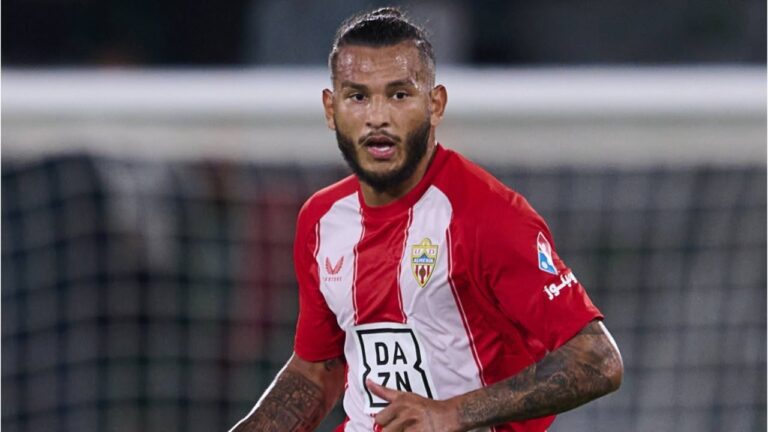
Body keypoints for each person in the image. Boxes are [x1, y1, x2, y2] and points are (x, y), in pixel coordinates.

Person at [231, 7, 622, 432]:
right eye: (357, 96)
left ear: (435, 104)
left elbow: (597, 359)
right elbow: (318, 369)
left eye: (399, 95)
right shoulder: (321, 220)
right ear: (331, 108)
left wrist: (451, 412)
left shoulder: (488, 216)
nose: (377, 117)